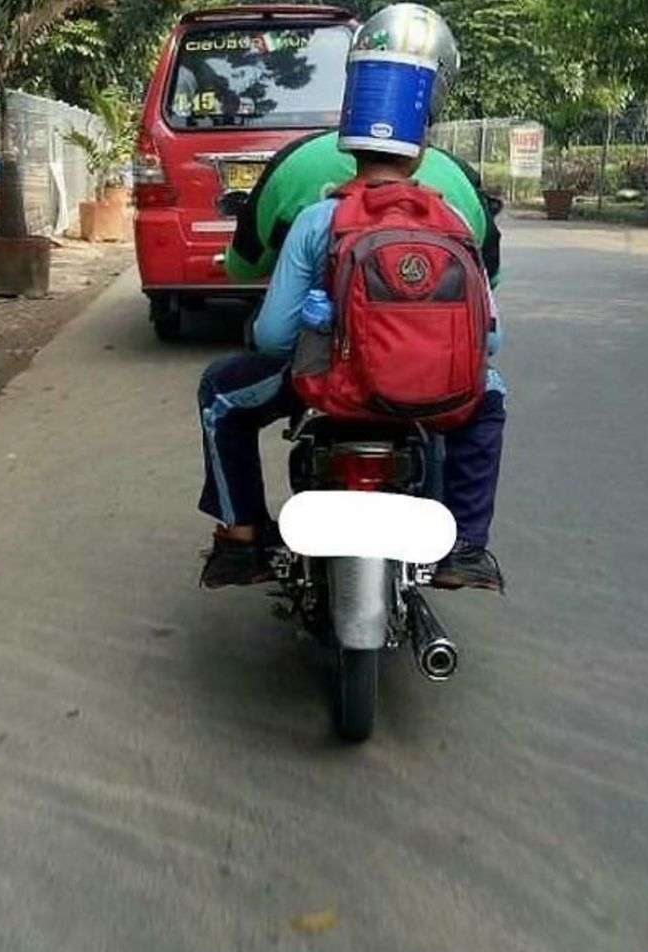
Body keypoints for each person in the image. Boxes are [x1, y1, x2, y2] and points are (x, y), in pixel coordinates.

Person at [197, 3, 506, 592]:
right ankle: (465, 545)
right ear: (419, 149)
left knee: (219, 393)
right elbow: (491, 338)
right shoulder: (453, 219)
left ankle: (241, 540)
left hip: (332, 387)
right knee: (490, 395)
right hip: (431, 392)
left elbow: (272, 337)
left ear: (349, 137)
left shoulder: (320, 218)